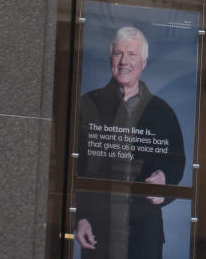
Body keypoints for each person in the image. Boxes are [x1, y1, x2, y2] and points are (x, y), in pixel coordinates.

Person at [75, 26, 186, 259]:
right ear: (110, 59)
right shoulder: (87, 105)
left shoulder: (162, 111)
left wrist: (165, 182)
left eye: (132, 54)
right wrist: (80, 217)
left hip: (144, 234)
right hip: (97, 232)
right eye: (118, 53)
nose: (124, 61)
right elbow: (73, 167)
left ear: (143, 62)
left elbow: (176, 164)